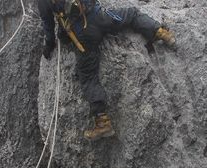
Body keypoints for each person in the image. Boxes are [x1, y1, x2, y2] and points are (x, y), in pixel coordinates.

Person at [38, 0, 176, 140]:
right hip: (100, 18)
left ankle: (102, 122)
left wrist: (48, 47)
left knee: (88, 77)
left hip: (83, 36)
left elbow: (48, 25)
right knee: (132, 14)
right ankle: (161, 32)